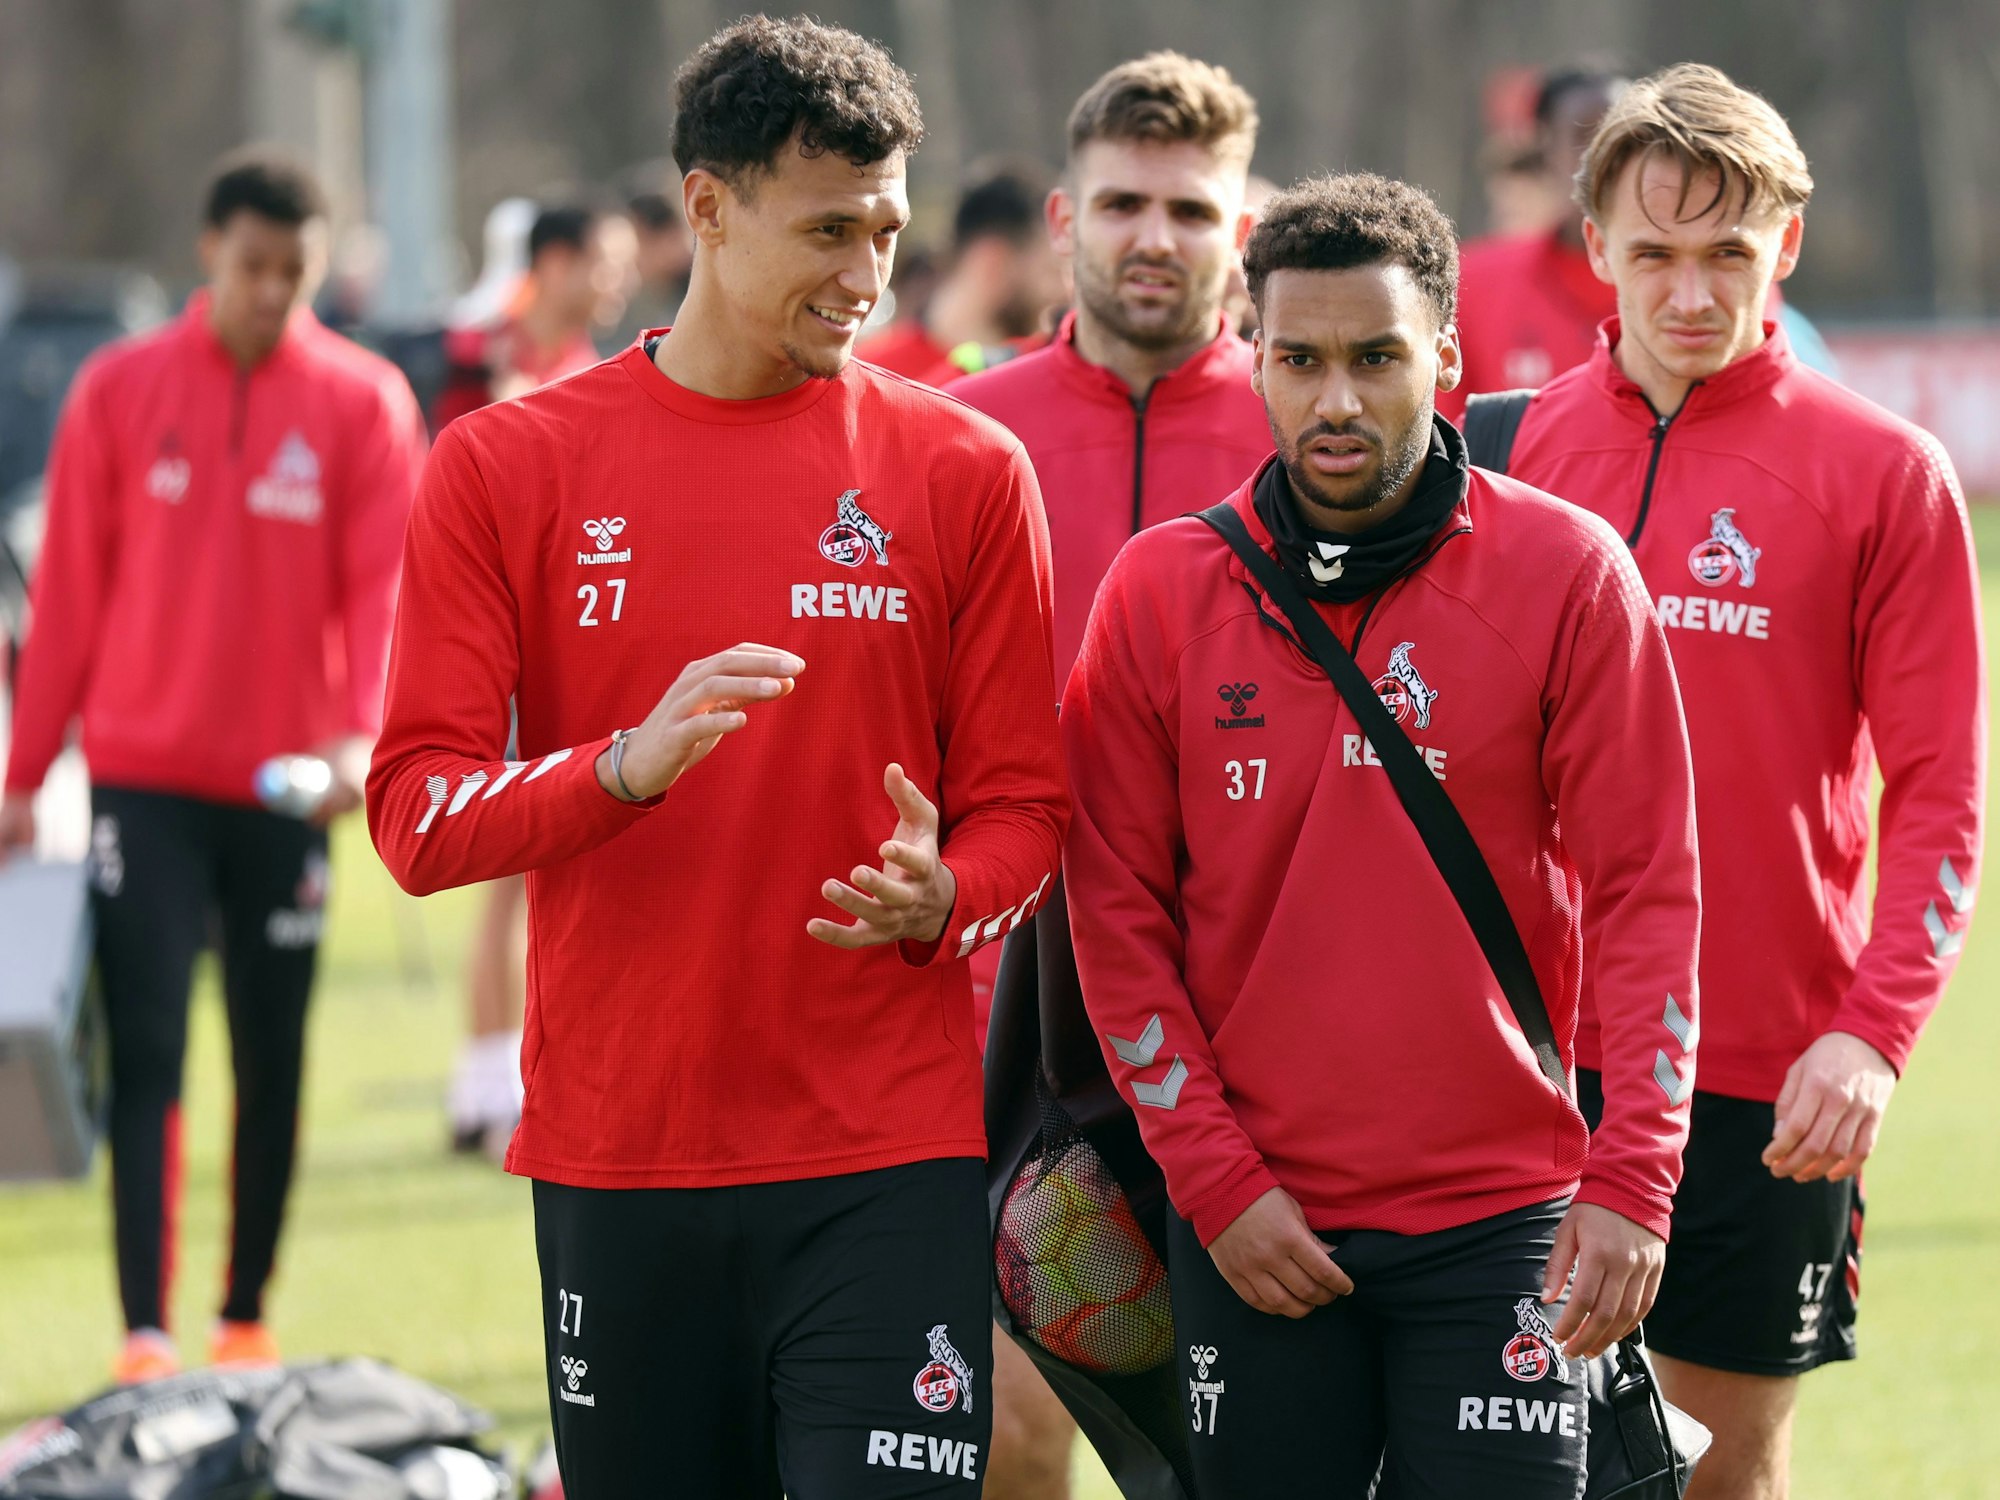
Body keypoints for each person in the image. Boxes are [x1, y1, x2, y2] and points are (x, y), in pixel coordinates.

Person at [364, 17, 1068, 1500]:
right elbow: (418, 817)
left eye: (886, 232)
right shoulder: (507, 466)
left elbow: (1029, 813)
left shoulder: (965, 472)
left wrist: (948, 896)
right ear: (706, 206)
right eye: (827, 231)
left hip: (886, 1157)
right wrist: (618, 770)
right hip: (625, 1162)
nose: (868, 277)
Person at [1061, 172, 1703, 1497]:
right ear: (1254, 353)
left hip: (1503, 1224)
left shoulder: (1570, 575)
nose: (1334, 399)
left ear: (1448, 358)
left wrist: (1635, 1179)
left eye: (1376, 358)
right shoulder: (1159, 592)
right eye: (1298, 359)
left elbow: (1651, 897)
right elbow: (1114, 917)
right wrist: (1218, 1186)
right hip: (1258, 1227)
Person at [1502, 63, 1985, 1500]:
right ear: (1593, 249)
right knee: (1502, 1466)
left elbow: (1946, 796)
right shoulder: (1502, 457)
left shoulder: (1885, 475)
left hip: (1760, 1081)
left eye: (1727, 253)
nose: (1691, 293)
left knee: (1713, 1472)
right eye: (1654, 253)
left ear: (1785, 244)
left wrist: (1873, 1037)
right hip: (1517, 1061)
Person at [0, 150, 425, 1382]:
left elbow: (380, 591)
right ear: (209, 254)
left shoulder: (362, 403)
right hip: (141, 779)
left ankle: (243, 1318)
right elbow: (69, 596)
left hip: (284, 789)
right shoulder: (119, 391)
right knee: (147, 1052)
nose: (272, 293)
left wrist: (360, 738)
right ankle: (143, 1331)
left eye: (294, 272)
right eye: (253, 267)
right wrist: (27, 775)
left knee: (273, 1055)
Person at [949, 50, 1268, 1497]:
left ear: (1241, 231)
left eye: (1192, 211)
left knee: (1240, 1434)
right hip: (1003, 1019)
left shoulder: (1303, 432)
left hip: (1256, 1028)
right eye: (1127, 203)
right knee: (1014, 1419)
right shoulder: (957, 436)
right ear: (1066, 219)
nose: (1157, 237)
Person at [434, 201, 641, 1160]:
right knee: (508, 874)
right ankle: (481, 1084)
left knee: (535, 877)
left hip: (568, 637)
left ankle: (495, 1081)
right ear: (555, 262)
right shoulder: (478, 353)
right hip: (496, 638)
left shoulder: (594, 370)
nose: (617, 282)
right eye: (603, 261)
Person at [1442, 65, 1628, 420]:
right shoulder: (1472, 282)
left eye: (1628, 135)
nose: (1609, 154)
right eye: (1585, 133)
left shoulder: (1695, 286)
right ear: (1545, 146)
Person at [431, 202, 637, 432]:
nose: (627, 283)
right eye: (612, 268)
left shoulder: (594, 382)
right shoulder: (453, 358)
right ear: (556, 265)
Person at [855, 160, 1063, 384]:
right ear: (992, 264)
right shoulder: (868, 374)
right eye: (1050, 272)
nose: (1064, 292)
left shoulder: (1052, 380)